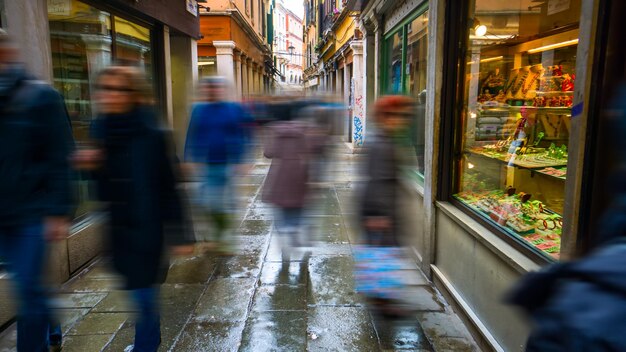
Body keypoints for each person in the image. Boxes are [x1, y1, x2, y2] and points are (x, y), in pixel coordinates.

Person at [73, 66, 193, 352]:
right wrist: (92, 167)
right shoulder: (99, 128)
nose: (111, 96)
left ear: (134, 94)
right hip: (117, 228)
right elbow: (103, 186)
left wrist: (181, 235)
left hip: (146, 226)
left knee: (143, 295)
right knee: (136, 293)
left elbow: (169, 185)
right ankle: (148, 339)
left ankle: (146, 345)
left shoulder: (151, 132)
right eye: (105, 89)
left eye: (119, 89)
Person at [0, 29, 75, 351]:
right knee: (31, 288)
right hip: (4, 213)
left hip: (34, 213)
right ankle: (53, 322)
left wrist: (59, 211)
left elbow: (62, 156)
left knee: (29, 293)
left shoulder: (41, 97)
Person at [184, 76, 251, 253]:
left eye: (216, 88)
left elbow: (244, 133)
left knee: (226, 202)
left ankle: (223, 236)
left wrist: (243, 159)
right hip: (205, 163)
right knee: (206, 202)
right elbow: (192, 133)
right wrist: (188, 158)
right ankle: (217, 234)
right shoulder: (198, 109)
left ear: (223, 90)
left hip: (228, 163)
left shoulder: (234, 109)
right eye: (210, 88)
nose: (213, 91)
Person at [360, 95, 415, 246]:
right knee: (380, 264)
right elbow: (378, 183)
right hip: (382, 219)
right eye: (399, 115)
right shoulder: (381, 144)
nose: (403, 120)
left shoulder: (385, 140)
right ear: (385, 117)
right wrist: (379, 216)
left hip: (384, 216)